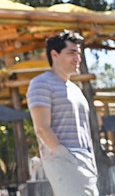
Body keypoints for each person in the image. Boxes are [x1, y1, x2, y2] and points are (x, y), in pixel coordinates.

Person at [26, 30, 99, 196]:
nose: (77, 59)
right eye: (71, 53)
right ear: (54, 54)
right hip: (64, 161)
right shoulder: (41, 83)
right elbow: (41, 128)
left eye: (78, 53)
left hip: (86, 161)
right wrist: (65, 156)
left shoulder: (75, 89)